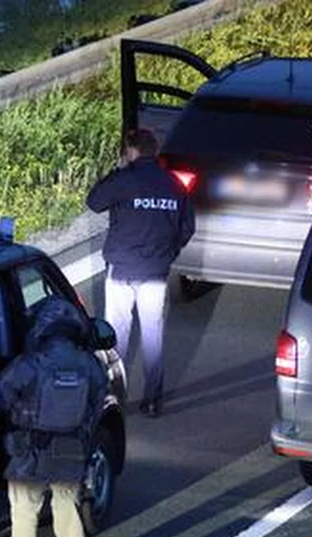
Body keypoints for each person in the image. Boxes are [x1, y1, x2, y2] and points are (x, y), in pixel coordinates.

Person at [0, 296, 108, 537]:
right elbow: (100, 397)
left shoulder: (32, 363)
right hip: (71, 450)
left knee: (25, 515)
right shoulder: (89, 364)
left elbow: (1, 392)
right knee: (67, 511)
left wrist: (19, 413)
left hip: (30, 451)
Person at [86, 128, 194, 418]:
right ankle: (152, 400)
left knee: (115, 337)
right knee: (152, 335)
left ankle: (114, 399)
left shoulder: (124, 179)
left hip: (121, 270)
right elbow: (187, 228)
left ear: (132, 151)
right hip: (156, 272)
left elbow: (93, 202)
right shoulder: (174, 184)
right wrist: (168, 254)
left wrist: (115, 171)